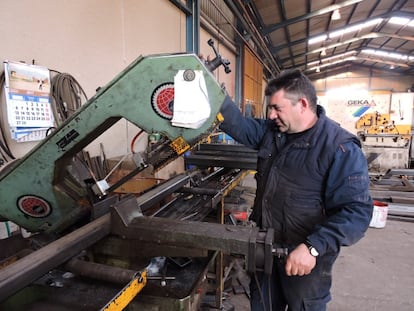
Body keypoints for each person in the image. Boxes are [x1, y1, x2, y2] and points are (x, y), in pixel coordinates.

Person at [218, 69, 373, 311]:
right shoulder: (272, 133)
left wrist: (313, 247)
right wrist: (209, 89)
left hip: (306, 258)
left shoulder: (339, 148)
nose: (270, 115)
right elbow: (237, 124)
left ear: (302, 104)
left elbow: (356, 212)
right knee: (263, 305)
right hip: (265, 248)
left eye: (277, 108)